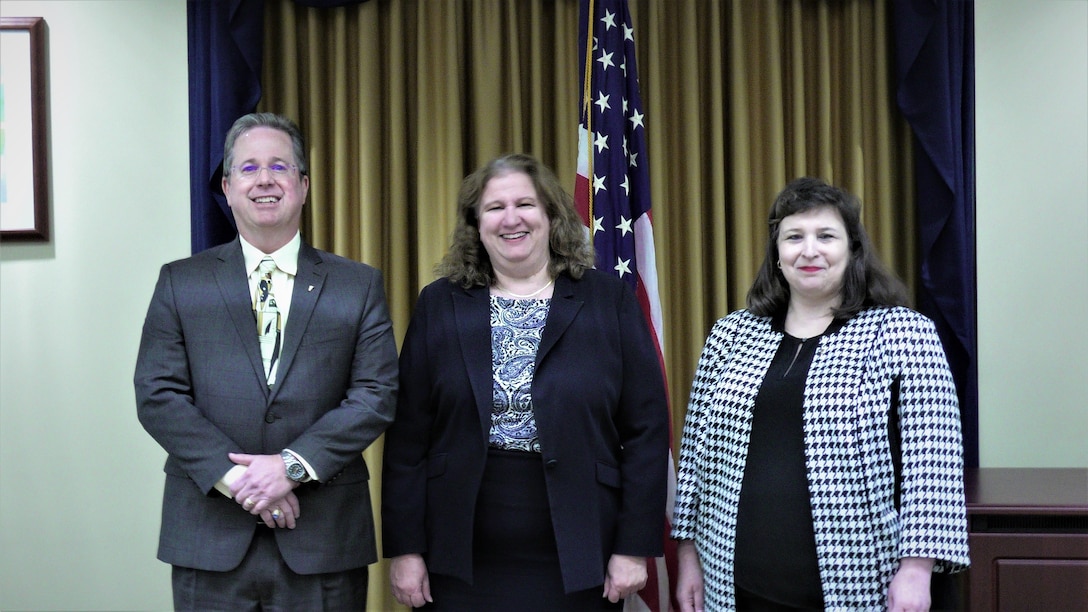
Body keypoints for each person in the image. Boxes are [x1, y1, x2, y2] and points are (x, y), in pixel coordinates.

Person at [381, 153, 670, 610]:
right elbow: (408, 437)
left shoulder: (606, 299)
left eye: (525, 205)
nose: (510, 219)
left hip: (581, 550)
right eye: (495, 208)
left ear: (552, 215)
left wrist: (634, 545)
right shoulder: (440, 304)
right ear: (476, 223)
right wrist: (406, 548)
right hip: (458, 555)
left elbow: (646, 430)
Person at [134, 112, 398, 610]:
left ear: (302, 185)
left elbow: (375, 395)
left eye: (279, 166)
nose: (265, 180)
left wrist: (290, 468)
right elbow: (157, 394)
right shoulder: (180, 282)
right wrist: (241, 482)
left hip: (324, 539)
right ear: (228, 188)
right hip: (209, 537)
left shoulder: (358, 285)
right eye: (249, 168)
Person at [672, 177, 970, 611]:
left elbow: (933, 460)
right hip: (736, 586)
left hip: (862, 586)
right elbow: (697, 456)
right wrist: (687, 555)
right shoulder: (730, 335)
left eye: (826, 236)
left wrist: (917, 569)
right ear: (777, 253)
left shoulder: (901, 332)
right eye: (794, 237)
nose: (809, 250)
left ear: (853, 250)